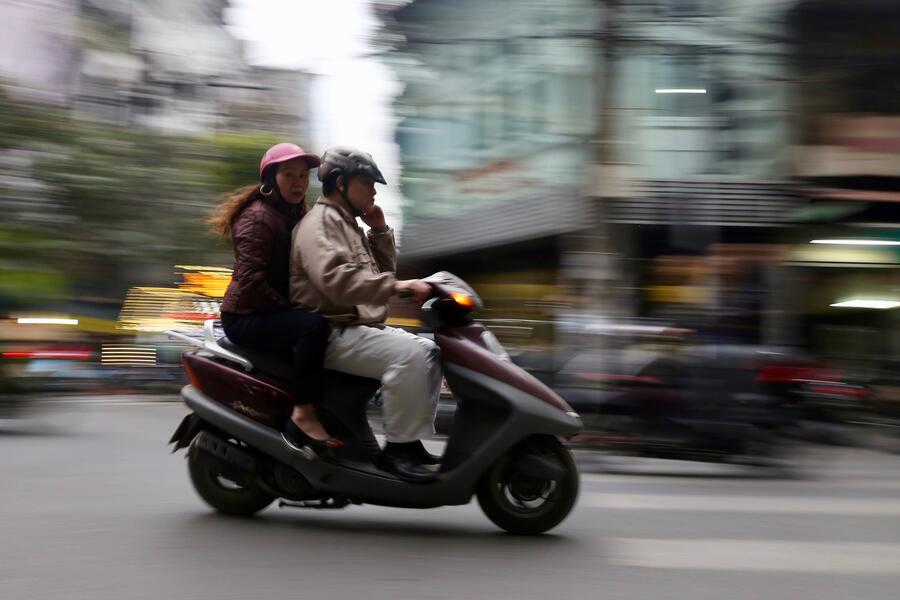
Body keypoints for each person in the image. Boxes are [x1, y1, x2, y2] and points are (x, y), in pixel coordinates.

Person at [289, 147, 441, 483]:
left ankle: (409, 442)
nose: (373, 191)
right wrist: (399, 285)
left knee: (429, 350)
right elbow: (336, 281)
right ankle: (397, 452)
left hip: (361, 328)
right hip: (333, 331)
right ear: (340, 183)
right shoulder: (320, 224)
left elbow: (381, 272)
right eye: (366, 183)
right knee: (411, 355)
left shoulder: (347, 224)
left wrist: (381, 231)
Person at [210, 142, 340, 454]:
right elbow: (252, 281)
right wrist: (293, 307)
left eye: (302, 176)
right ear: (270, 179)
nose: (298, 182)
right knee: (313, 328)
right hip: (246, 316)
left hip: (268, 310)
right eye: (288, 175)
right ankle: (303, 414)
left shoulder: (293, 213)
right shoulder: (258, 218)